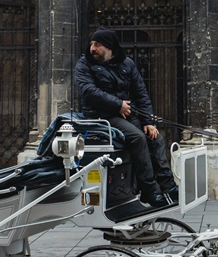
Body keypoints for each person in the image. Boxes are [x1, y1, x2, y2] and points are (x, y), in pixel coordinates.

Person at [75, 26, 178, 207]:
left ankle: (169, 187)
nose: (92, 49)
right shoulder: (84, 64)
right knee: (137, 138)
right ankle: (149, 191)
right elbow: (88, 91)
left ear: (109, 47)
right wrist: (117, 105)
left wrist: (148, 122)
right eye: (91, 44)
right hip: (101, 116)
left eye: (97, 45)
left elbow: (140, 93)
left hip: (126, 113)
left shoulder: (127, 63)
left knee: (155, 138)